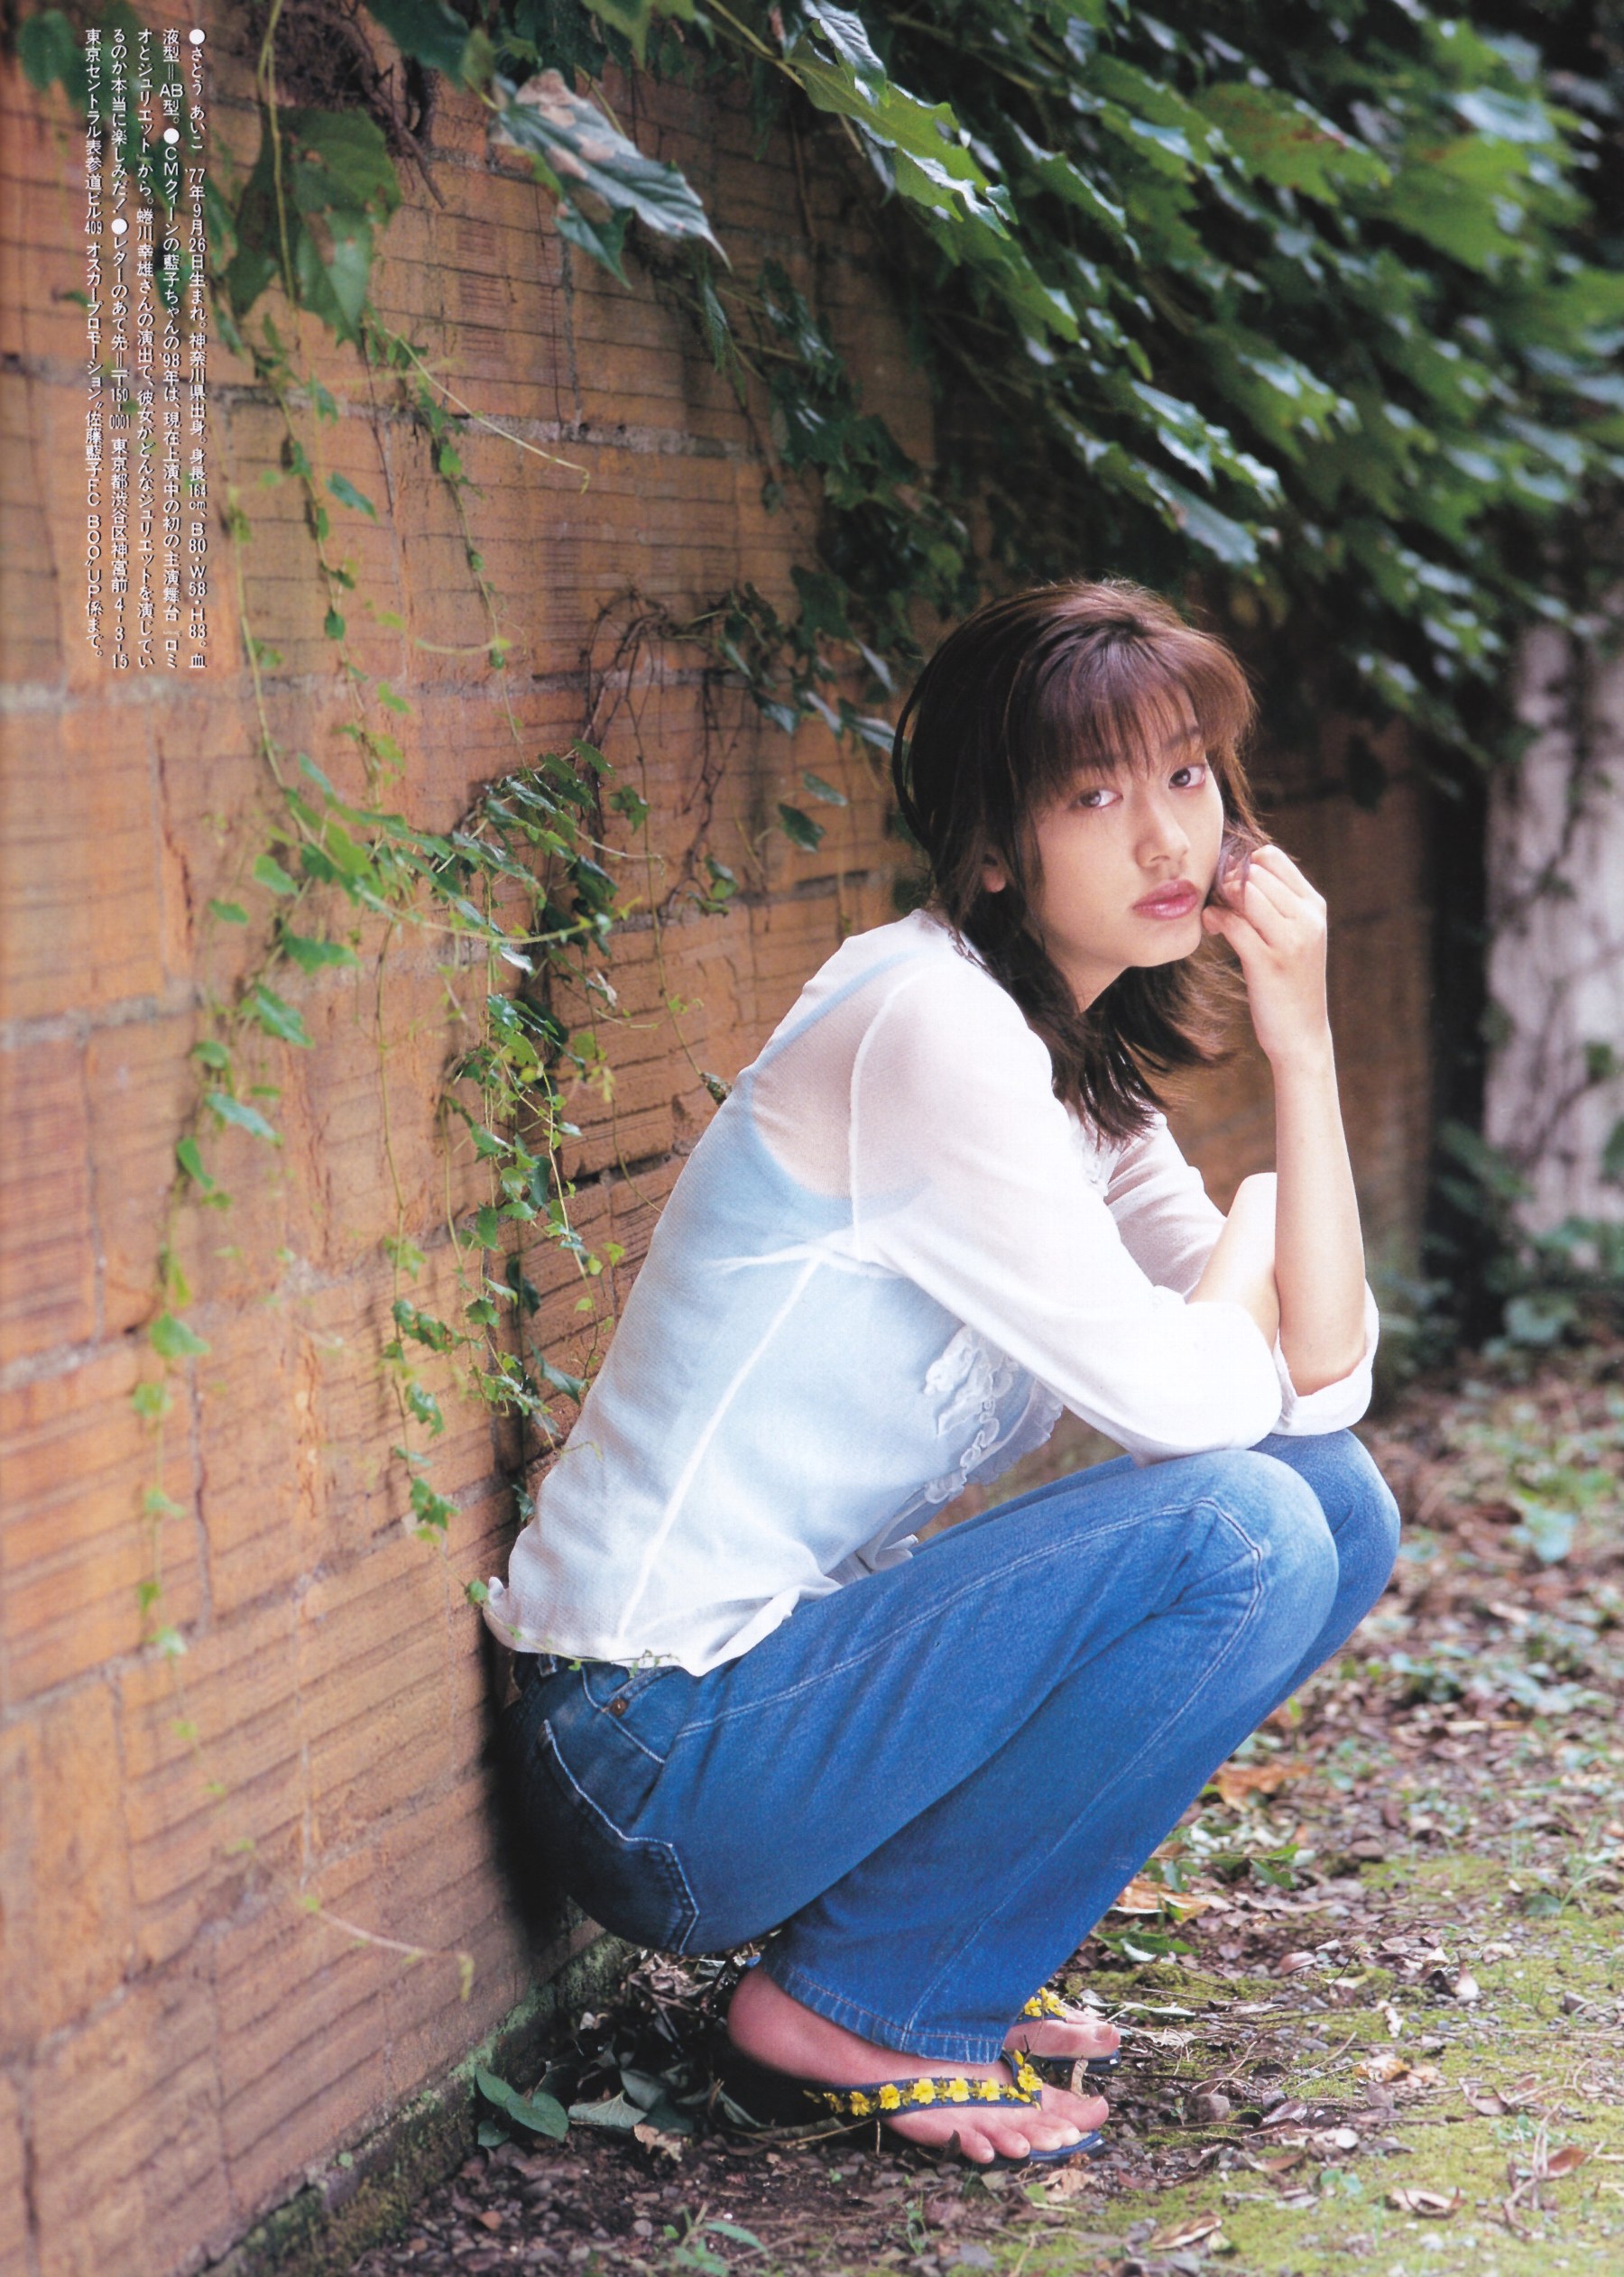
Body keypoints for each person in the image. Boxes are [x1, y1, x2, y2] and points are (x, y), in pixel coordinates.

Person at [489, 579, 1400, 2168]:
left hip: (775, 1705)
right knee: (1239, 1527)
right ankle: (867, 2001)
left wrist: (1302, 1046)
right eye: (1095, 796)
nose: (1166, 836)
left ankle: (914, 1960)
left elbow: (1317, 1393)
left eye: (1187, 775)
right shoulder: (929, 1027)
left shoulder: (1074, 1073)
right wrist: (1257, 1229)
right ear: (993, 848)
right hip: (650, 1747)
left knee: (1332, 1504)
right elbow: (1192, 1410)